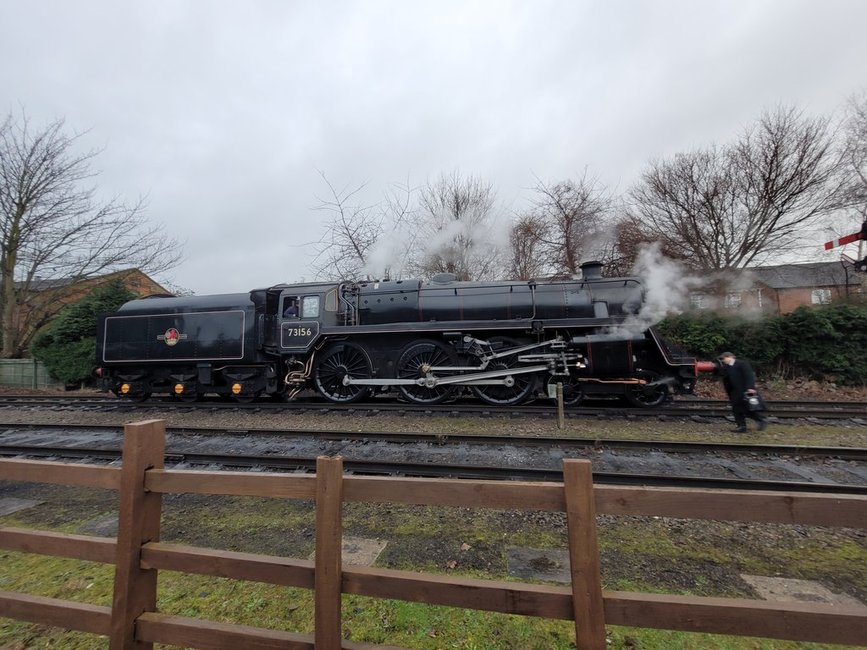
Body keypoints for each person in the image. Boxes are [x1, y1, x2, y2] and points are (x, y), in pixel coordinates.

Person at [719, 351, 767, 432]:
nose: (723, 360)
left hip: (743, 390)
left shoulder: (742, 364)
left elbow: (749, 376)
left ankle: (761, 420)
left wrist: (750, 387)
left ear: (729, 357)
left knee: (747, 408)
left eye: (723, 359)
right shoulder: (727, 367)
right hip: (733, 391)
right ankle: (741, 426)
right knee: (736, 409)